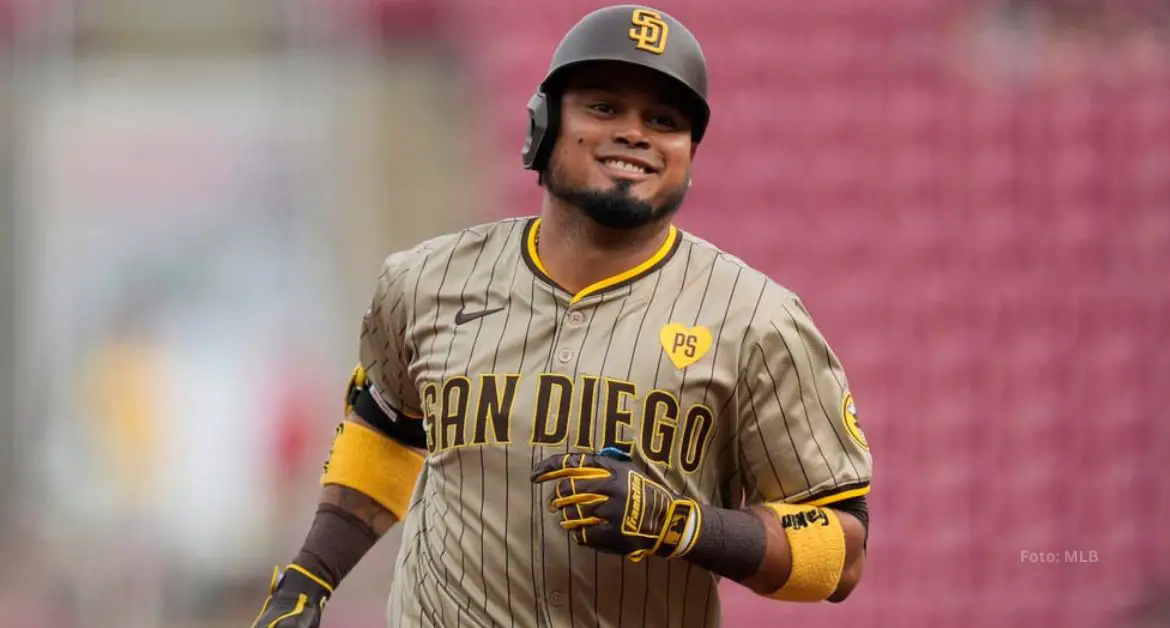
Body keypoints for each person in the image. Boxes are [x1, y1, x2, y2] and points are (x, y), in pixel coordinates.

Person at [252, 5, 874, 627]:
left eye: (664, 121)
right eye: (604, 107)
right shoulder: (427, 282)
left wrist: (683, 525)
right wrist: (310, 576)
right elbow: (387, 426)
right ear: (544, 125)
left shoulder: (757, 320)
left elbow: (841, 554)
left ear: (688, 154)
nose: (635, 133)